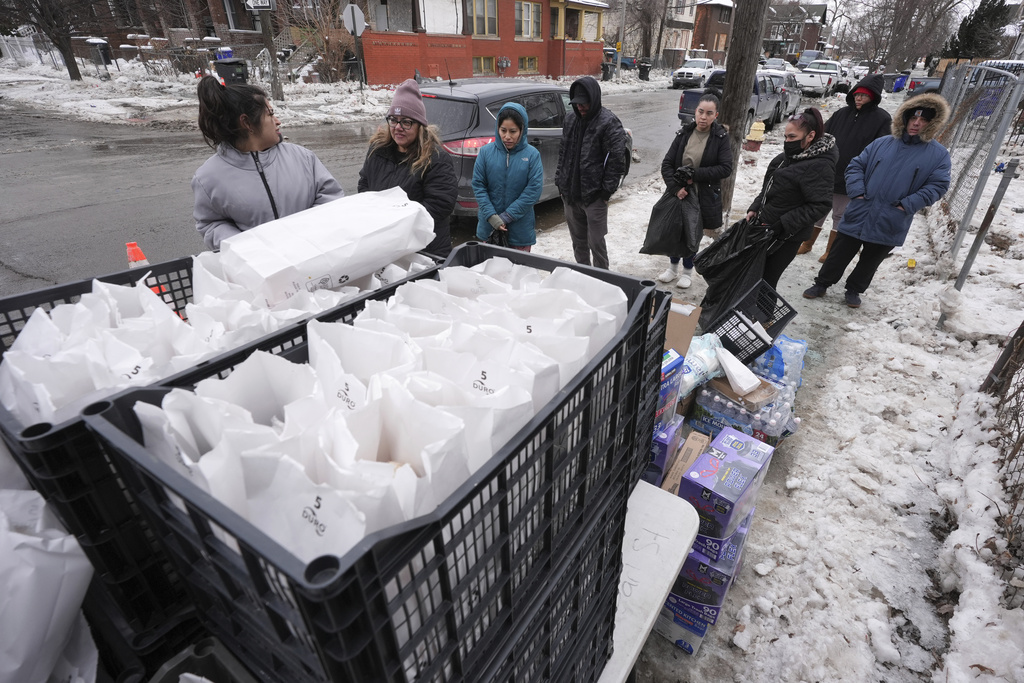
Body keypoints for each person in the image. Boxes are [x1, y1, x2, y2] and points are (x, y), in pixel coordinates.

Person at [803, 93, 951, 308]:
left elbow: (938, 186)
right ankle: (822, 283)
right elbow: (856, 166)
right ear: (905, 119)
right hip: (861, 208)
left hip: (892, 216)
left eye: (924, 120)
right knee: (839, 252)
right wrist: (857, 191)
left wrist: (906, 205)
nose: (916, 124)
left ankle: (854, 290)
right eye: (913, 119)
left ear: (932, 124)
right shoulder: (882, 143)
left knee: (871, 259)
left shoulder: (938, 155)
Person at [191, 76, 344, 251]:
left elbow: (332, 198)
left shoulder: (302, 157)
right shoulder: (208, 178)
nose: (277, 121)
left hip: (313, 259)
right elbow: (211, 224)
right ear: (247, 123)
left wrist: (306, 234)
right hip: (259, 271)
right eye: (270, 114)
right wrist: (248, 248)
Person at [358, 78, 458, 257]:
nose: (398, 127)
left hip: (424, 251)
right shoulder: (377, 151)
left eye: (406, 122)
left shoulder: (435, 159)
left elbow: (439, 205)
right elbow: (364, 185)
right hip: (385, 244)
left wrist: (395, 221)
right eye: (393, 120)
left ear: (420, 125)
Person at [798, 74, 892, 263]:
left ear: (872, 97)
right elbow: (824, 136)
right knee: (818, 209)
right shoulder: (842, 113)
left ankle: (830, 251)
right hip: (829, 171)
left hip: (853, 175)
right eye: (857, 94)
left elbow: (882, 149)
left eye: (863, 96)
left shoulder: (881, 118)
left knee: (840, 214)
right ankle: (807, 243)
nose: (858, 98)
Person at [745, 107, 837, 291]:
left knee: (765, 280)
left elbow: (820, 205)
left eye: (792, 137)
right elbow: (768, 186)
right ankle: (748, 314)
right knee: (751, 275)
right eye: (786, 137)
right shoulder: (787, 157)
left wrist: (784, 223)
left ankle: (764, 318)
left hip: (787, 236)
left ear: (810, 136)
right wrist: (756, 206)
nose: (787, 142)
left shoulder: (820, 165)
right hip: (765, 226)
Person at [655, 93, 733, 288]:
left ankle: (687, 272)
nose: (703, 117)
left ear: (716, 115)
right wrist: (676, 188)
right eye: (700, 112)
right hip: (679, 192)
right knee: (675, 230)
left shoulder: (720, 137)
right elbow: (667, 163)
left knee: (692, 232)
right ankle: (673, 268)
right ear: (695, 111)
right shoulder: (684, 133)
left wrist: (694, 175)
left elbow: (725, 168)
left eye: (709, 113)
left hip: (702, 194)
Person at [554, 75, 627, 270]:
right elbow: (563, 152)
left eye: (584, 103)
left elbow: (616, 160)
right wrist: (560, 181)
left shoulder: (609, 123)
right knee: (578, 243)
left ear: (594, 99)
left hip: (594, 197)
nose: (580, 107)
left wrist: (605, 192)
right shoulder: (570, 120)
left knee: (596, 243)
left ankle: (603, 278)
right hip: (570, 194)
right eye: (577, 103)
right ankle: (583, 275)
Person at [471, 102, 543, 252]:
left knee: (519, 272)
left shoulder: (532, 155)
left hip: (520, 230)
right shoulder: (485, 153)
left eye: (513, 131)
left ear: (522, 130)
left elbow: (533, 190)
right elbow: (478, 185)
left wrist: (507, 216)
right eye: (503, 130)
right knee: (490, 272)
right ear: (497, 128)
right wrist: (491, 216)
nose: (507, 136)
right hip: (489, 227)